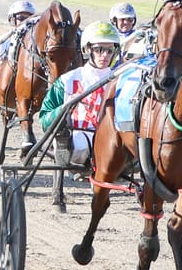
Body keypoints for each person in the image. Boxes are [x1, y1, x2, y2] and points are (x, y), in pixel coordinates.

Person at [36, 21, 123, 167]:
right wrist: (64, 107)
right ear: (87, 50)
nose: (105, 55)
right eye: (98, 49)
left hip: (112, 136)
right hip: (77, 135)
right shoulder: (67, 80)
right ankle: (65, 147)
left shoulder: (121, 80)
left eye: (110, 50)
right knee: (81, 146)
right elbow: (45, 120)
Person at [0, 0, 38, 86]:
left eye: (30, 19)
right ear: (12, 20)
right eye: (21, 18)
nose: (26, 22)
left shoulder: (39, 45)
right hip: (2, 90)